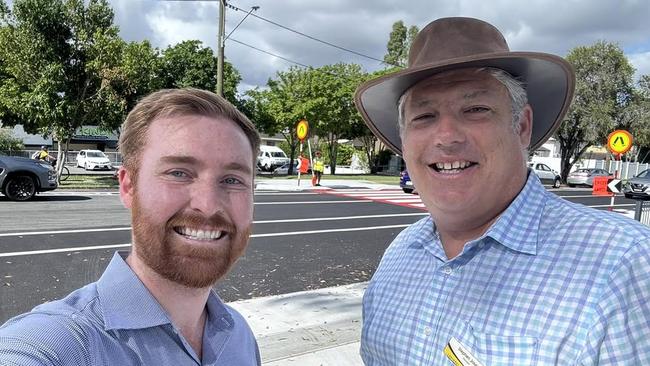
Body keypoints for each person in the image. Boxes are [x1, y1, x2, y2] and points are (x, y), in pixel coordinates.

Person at [354, 17, 650, 365]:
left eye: (475, 109)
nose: (446, 136)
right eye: (424, 116)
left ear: (522, 126)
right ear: (404, 141)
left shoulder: (624, 265)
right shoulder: (400, 254)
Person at [0, 88, 262, 365]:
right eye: (178, 173)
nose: (208, 205)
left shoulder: (239, 335)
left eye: (232, 180)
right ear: (128, 186)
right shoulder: (62, 345)